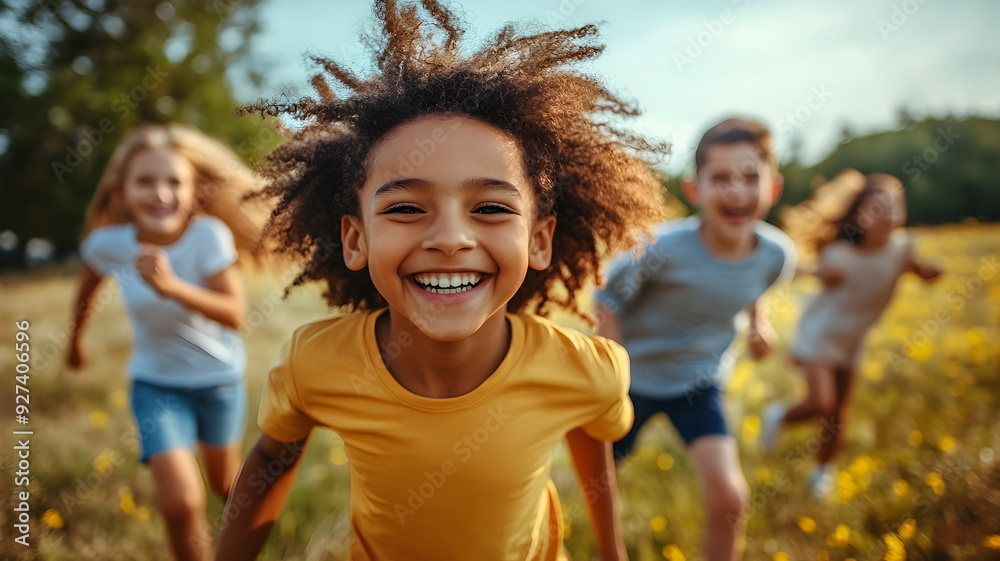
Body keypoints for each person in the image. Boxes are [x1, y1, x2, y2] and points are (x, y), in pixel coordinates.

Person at [214, 1, 668, 560]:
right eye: (406, 209)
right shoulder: (315, 364)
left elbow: (592, 432)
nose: (450, 238)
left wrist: (612, 549)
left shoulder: (588, 368)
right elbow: (272, 456)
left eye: (492, 209)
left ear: (539, 240)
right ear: (355, 240)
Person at [596, 118, 796, 561]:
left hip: (698, 384)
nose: (736, 191)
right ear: (695, 189)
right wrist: (613, 368)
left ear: (773, 187)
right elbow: (608, 298)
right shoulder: (661, 249)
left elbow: (750, 287)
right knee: (600, 484)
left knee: (730, 500)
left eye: (749, 177)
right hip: (631, 382)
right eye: (720, 178)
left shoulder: (776, 255)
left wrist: (759, 324)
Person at [67, 123, 263, 561]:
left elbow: (234, 315)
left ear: (194, 193)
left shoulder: (208, 237)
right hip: (156, 386)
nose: (160, 193)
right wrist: (74, 342)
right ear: (121, 194)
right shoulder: (108, 244)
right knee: (180, 504)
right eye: (145, 181)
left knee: (226, 486)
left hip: (218, 382)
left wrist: (172, 287)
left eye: (174, 181)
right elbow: (86, 290)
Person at [761, 172, 941, 496]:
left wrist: (928, 272)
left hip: (853, 340)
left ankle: (821, 474)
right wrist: (801, 272)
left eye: (893, 206)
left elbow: (916, 268)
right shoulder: (840, 255)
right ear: (859, 216)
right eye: (876, 208)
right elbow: (813, 273)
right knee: (823, 402)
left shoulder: (903, 248)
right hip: (820, 335)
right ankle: (779, 416)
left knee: (838, 413)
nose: (886, 214)